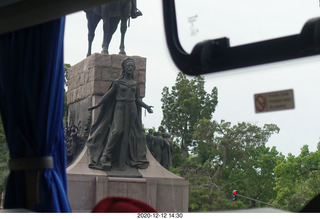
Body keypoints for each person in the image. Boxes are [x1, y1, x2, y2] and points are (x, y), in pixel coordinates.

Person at [86, 57, 153, 170]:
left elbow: (137, 99)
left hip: (131, 109)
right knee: (117, 130)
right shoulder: (117, 82)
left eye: (132, 66)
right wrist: (97, 105)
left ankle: (122, 162)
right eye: (129, 66)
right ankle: (105, 155)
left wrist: (147, 107)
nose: (131, 68)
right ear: (124, 68)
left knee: (127, 134)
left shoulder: (135, 84)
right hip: (120, 107)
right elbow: (108, 95)